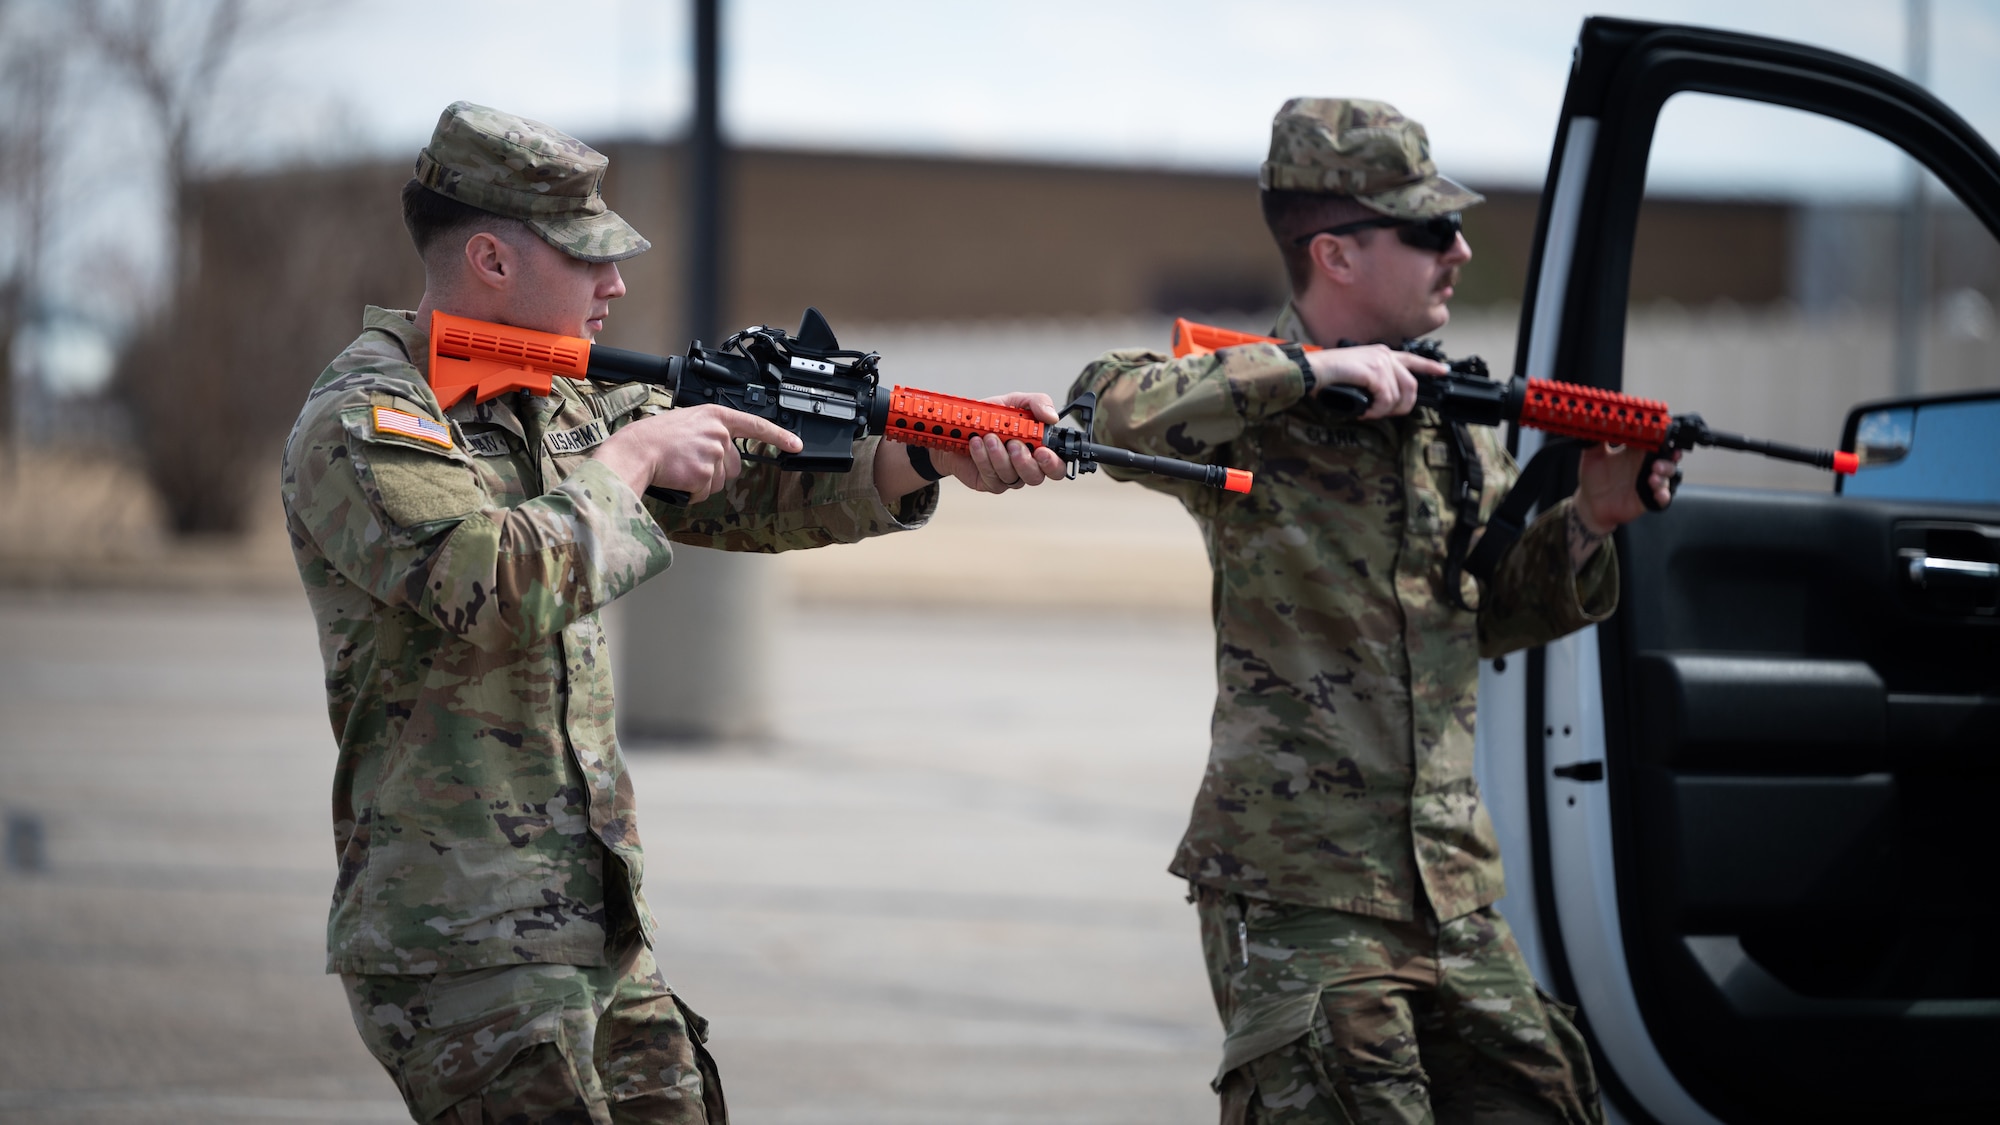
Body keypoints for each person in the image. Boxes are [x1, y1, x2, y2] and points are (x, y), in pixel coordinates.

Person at [281, 101, 1066, 1125]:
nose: (614, 283)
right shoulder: (372, 417)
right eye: (585, 256)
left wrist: (922, 452)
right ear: (490, 258)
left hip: (595, 920)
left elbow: (747, 489)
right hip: (459, 934)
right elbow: (484, 584)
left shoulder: (555, 398)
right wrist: (627, 465)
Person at [1066, 98, 1681, 1124]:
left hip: (1451, 890)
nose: (1459, 249)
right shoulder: (1250, 410)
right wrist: (1306, 372)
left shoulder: (1448, 427)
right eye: (1429, 230)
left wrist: (1586, 521)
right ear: (1335, 255)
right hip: (1301, 890)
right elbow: (1101, 404)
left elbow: (1484, 618)